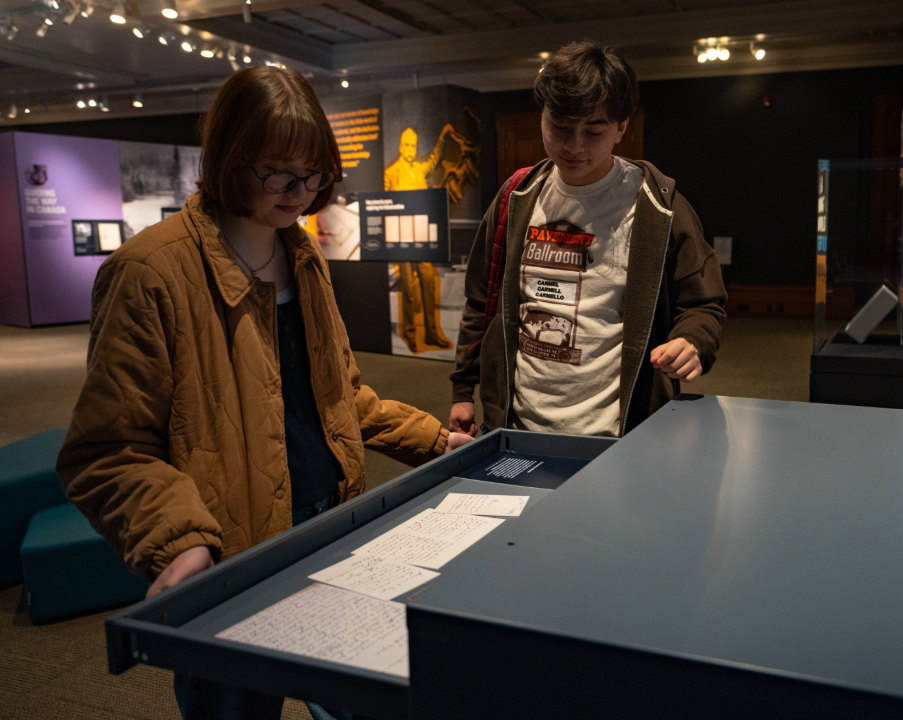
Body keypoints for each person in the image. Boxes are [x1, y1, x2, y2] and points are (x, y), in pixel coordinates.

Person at [56, 66, 471, 719]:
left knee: (359, 698)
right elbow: (108, 449)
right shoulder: (150, 273)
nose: (300, 193)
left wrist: (434, 441)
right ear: (230, 158)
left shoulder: (301, 256)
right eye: (278, 173)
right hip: (233, 553)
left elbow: (338, 396)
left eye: (314, 175)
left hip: (332, 526)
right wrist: (179, 538)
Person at [449, 41, 726, 438]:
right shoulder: (518, 196)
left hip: (619, 431)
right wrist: (463, 390)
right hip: (517, 423)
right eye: (560, 127)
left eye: (593, 131)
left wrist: (692, 340)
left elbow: (703, 302)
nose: (574, 146)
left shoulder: (657, 205)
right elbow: (480, 300)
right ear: (542, 117)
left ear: (621, 128)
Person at [384, 127, 456, 353]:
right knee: (407, 289)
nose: (410, 149)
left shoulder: (419, 169)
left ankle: (431, 333)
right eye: (407, 145)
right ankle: (410, 334)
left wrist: (442, 138)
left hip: (422, 238)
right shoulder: (391, 173)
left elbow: (434, 159)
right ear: (400, 146)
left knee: (428, 283)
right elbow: (383, 207)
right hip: (402, 241)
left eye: (413, 145)